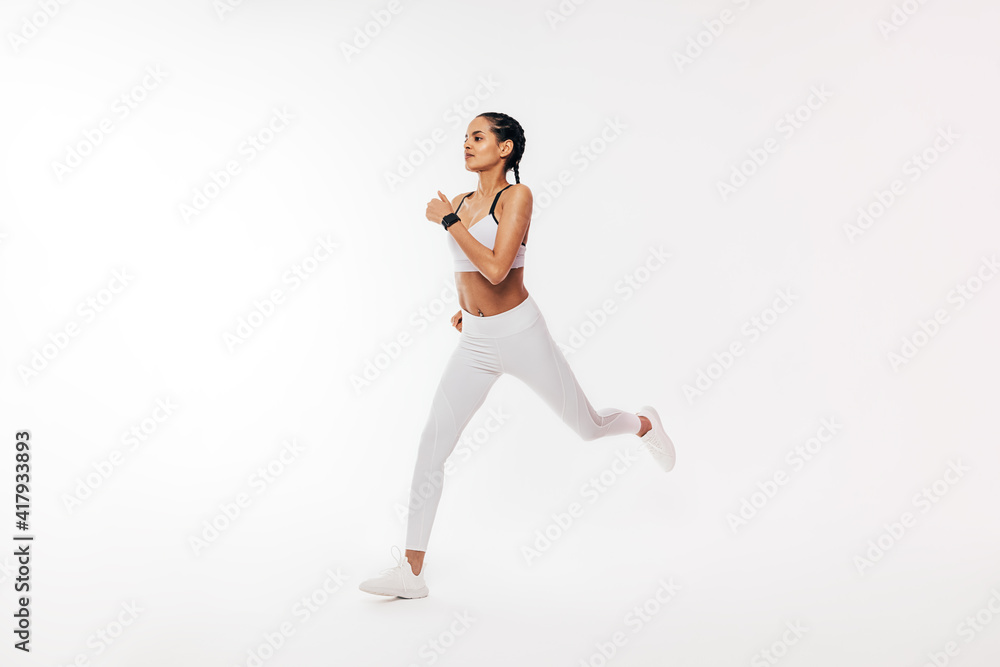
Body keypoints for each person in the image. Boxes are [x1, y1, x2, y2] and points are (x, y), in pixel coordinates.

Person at [359, 112, 675, 599]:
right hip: (476, 342)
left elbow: (497, 265)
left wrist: (446, 221)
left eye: (478, 136)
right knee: (431, 444)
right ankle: (411, 572)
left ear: (504, 149)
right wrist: (467, 310)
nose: (467, 143)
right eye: (465, 137)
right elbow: (469, 273)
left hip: (522, 334)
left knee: (588, 427)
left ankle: (643, 424)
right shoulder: (463, 200)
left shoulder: (516, 197)